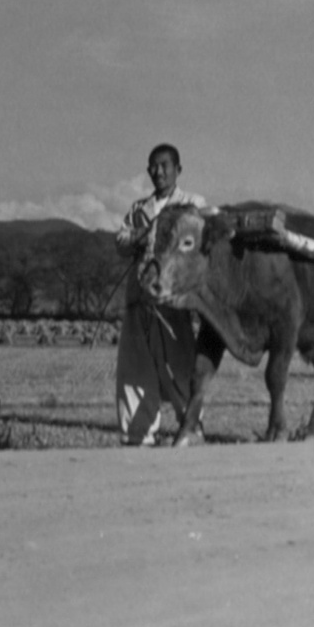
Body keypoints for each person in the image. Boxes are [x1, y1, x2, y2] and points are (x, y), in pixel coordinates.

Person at [114, 143, 207, 446]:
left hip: (173, 302)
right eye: (153, 166)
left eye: (165, 165)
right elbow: (121, 241)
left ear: (178, 170)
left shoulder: (192, 203)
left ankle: (191, 427)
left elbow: (201, 237)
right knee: (134, 368)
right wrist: (145, 233)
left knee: (180, 365)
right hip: (138, 300)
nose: (158, 171)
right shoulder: (139, 209)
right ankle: (136, 436)